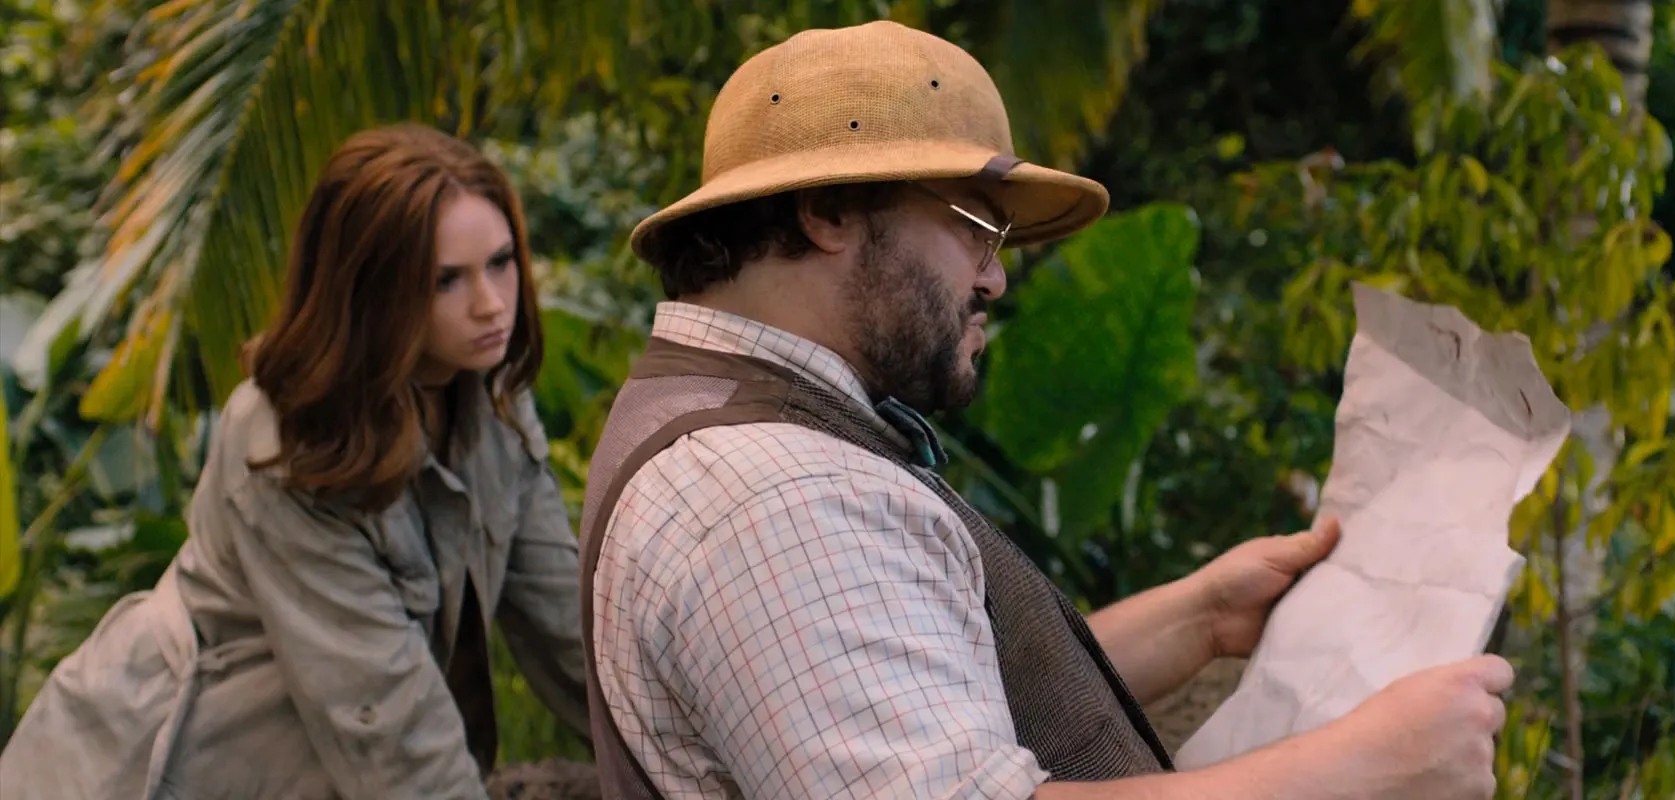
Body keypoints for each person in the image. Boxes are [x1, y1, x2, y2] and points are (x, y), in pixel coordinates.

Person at [577, 20, 1512, 800]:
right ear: (829, 212)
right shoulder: (778, 498)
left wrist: (1200, 619)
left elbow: (906, 691)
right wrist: (1373, 761)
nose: (994, 277)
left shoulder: (714, 415)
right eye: (976, 226)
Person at [0, 123, 592, 799]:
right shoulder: (292, 441)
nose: (491, 305)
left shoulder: (492, 398)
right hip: (158, 776)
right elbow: (392, 729)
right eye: (445, 281)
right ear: (371, 290)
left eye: (501, 262)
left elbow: (572, 635)